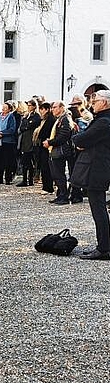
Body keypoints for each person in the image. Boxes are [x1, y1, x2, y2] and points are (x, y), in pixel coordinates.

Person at [72, 90, 110, 260]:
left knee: (98, 209)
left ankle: (104, 248)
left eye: (96, 101)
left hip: (98, 169)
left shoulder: (104, 122)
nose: (92, 103)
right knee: (99, 208)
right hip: (98, 167)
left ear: (106, 103)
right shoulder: (101, 120)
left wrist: (82, 142)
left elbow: (80, 139)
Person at [42, 101, 75, 205]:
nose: (53, 109)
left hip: (61, 150)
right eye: (52, 107)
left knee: (59, 174)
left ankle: (64, 196)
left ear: (62, 107)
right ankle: (60, 194)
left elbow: (63, 135)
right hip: (55, 149)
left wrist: (50, 142)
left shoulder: (65, 119)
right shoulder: (59, 119)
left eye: (55, 107)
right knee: (56, 174)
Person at [0, 102, 17, 185]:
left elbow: (12, 129)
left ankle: (8, 178)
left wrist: (2, 133)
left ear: (9, 109)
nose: (3, 109)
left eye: (5, 108)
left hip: (7, 142)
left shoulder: (11, 116)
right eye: (3, 107)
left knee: (8, 161)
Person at [16, 99, 41, 187]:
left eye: (30, 105)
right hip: (25, 140)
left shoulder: (36, 116)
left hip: (31, 141)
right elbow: (22, 126)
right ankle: (25, 179)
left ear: (34, 106)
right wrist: (26, 125)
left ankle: (29, 179)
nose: (28, 107)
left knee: (29, 161)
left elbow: (31, 125)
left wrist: (27, 125)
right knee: (25, 162)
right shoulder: (26, 116)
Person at [33, 102, 55, 195]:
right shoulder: (43, 119)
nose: (40, 111)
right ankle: (46, 186)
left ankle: (48, 187)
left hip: (47, 145)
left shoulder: (50, 119)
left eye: (42, 109)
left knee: (46, 167)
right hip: (42, 145)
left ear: (46, 109)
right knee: (43, 166)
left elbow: (44, 132)